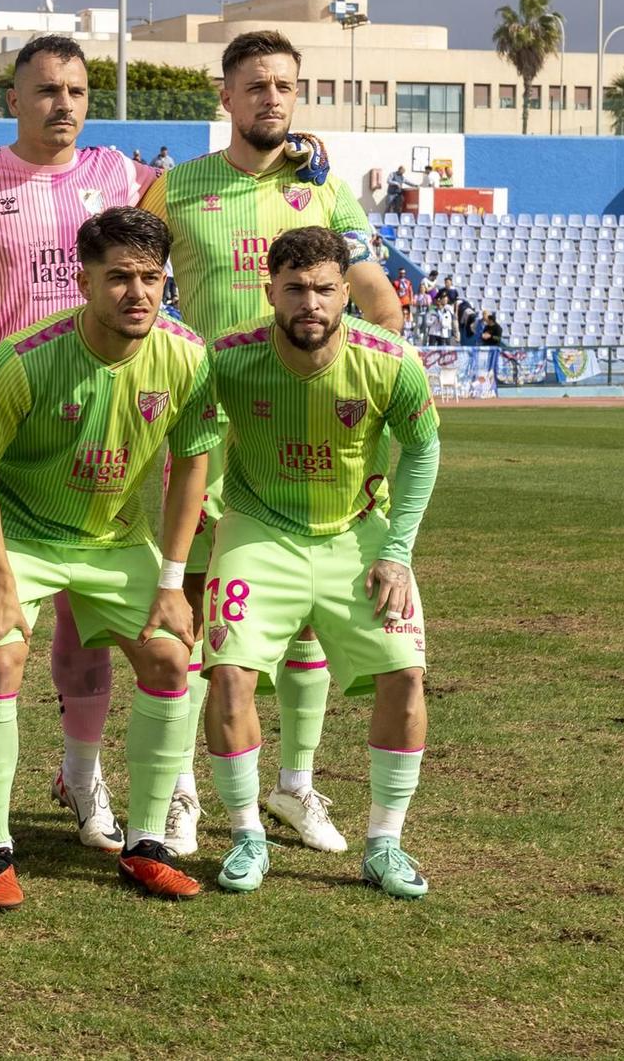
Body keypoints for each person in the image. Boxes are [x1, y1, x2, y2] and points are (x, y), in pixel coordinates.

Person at [138, 30, 404, 857]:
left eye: (285, 85)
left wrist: (348, 380)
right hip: (212, 432)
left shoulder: (324, 193)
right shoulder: (177, 189)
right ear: (225, 96)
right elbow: (127, 280)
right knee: (196, 616)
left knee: (310, 627)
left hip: (305, 440)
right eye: (254, 85)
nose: (272, 98)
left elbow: (379, 302)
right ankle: (178, 787)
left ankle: (293, 786)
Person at [0, 33, 153, 858]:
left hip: (96, 435)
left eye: (77, 90)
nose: (64, 104)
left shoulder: (119, 176)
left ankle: (80, 775)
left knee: (86, 631)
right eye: (46, 90)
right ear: (12, 100)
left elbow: (205, 210)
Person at [0, 206, 216, 905]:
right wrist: (2, 580)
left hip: (115, 540)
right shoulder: (26, 357)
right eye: (120, 277)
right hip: (22, 537)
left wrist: (171, 580)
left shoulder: (188, 356)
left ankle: (148, 843)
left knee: (170, 654)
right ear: (84, 281)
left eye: (152, 278)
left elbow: (192, 464)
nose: (138, 293)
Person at [201, 226, 440, 900]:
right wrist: (198, 504)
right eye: (296, 287)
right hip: (257, 530)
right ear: (269, 288)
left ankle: (384, 844)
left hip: (356, 534)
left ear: (347, 292)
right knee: (228, 678)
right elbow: (187, 434)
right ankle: (249, 835)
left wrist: (396, 553)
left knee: (407, 677)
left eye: (325, 289)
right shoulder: (227, 359)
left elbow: (421, 450)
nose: (311, 301)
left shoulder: (389, 361)